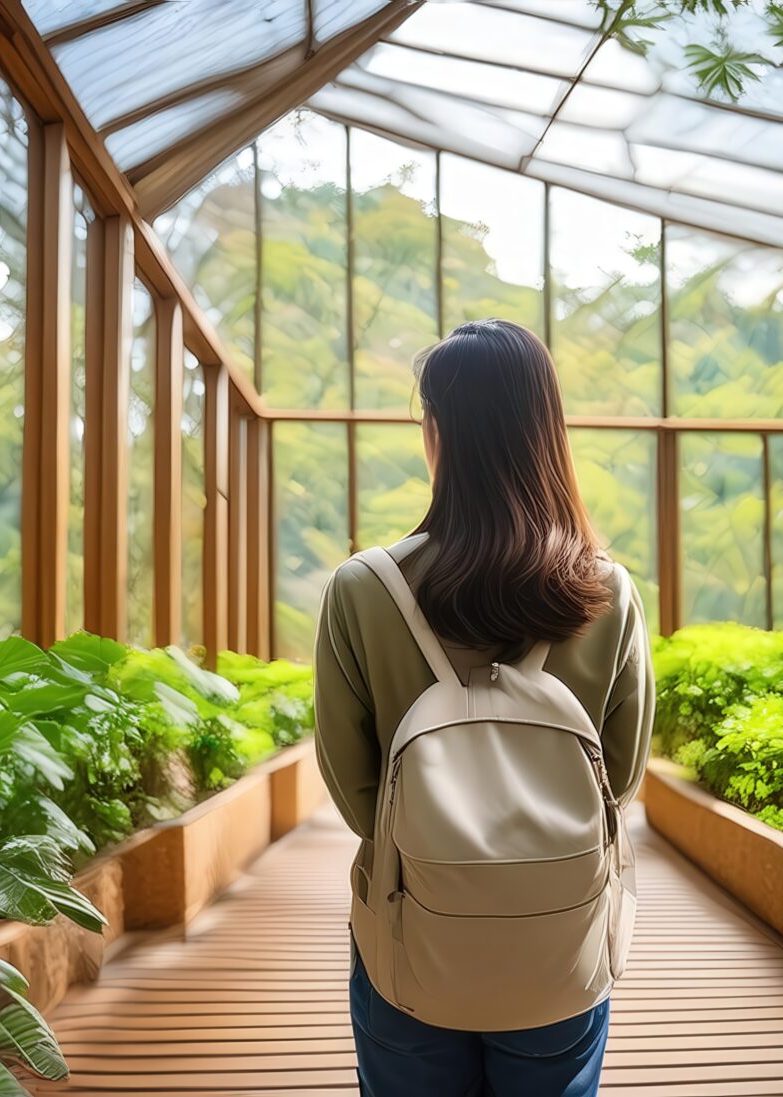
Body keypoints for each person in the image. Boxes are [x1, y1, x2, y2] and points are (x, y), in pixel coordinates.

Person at [313, 318, 654, 1097]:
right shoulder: (608, 593)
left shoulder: (364, 589)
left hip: (410, 936)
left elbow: (354, 787)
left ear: (436, 432)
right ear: (547, 431)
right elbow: (621, 776)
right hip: (560, 942)